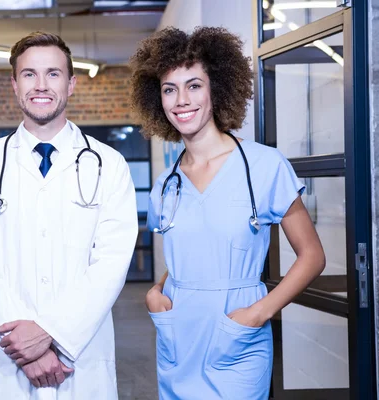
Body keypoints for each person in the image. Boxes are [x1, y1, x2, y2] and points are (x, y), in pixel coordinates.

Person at [130, 27, 326, 400]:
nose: (181, 100)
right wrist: (157, 291)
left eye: (194, 86)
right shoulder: (165, 184)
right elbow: (190, 248)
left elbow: (313, 256)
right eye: (169, 89)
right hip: (178, 334)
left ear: (216, 89)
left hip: (238, 335)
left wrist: (260, 312)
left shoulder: (264, 166)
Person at [0, 31, 138, 399]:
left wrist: (51, 334)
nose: (41, 85)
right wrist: (27, 346)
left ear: (71, 84)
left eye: (53, 74)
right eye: (29, 74)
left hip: (79, 353)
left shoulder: (109, 165)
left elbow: (111, 263)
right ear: (14, 84)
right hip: (9, 355)